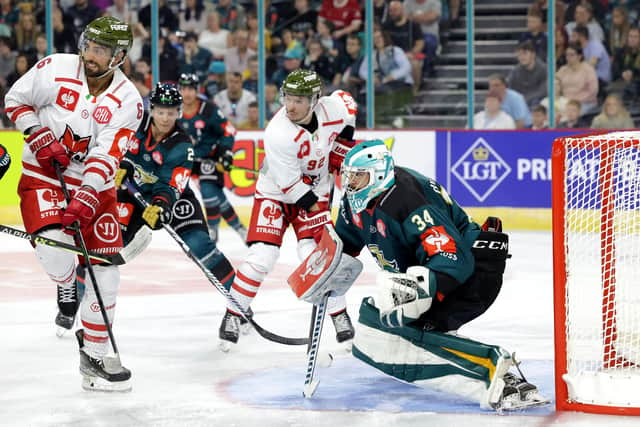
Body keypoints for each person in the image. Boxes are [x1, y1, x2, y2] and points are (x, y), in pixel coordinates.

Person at [334, 140, 548, 410]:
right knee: (374, 327)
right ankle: (490, 370)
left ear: (377, 174)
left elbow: (453, 259)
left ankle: (493, 375)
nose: (351, 183)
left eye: (358, 176)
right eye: (349, 176)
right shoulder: (355, 200)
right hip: (437, 271)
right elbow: (343, 246)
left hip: (471, 274)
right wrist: (324, 270)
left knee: (399, 333)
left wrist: (417, 295)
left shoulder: (405, 199)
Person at [5, 16, 143, 391]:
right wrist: (35, 133)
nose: (90, 54)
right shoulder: (55, 67)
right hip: (43, 175)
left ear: (118, 56)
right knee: (56, 248)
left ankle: (95, 356)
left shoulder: (128, 101)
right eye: (88, 45)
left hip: (95, 189)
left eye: (100, 49)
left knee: (108, 273)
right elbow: (15, 99)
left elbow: (107, 155)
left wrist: (86, 193)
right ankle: (68, 283)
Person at [218, 69, 358, 350]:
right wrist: (321, 214)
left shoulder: (333, 108)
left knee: (316, 257)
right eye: (287, 98)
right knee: (262, 257)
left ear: (315, 100)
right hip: (277, 195)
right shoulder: (278, 132)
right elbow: (292, 189)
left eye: (298, 100)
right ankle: (233, 314)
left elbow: (349, 107)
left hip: (315, 189)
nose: (290, 106)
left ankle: (339, 315)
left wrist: (341, 146)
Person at [114, 82, 236, 295]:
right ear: (151, 110)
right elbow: (113, 145)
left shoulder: (182, 145)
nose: (165, 118)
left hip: (170, 199)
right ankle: (73, 308)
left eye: (170, 112)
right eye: (160, 111)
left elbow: (171, 185)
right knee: (107, 248)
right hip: (132, 193)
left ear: (178, 113)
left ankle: (239, 306)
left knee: (201, 246)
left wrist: (161, 205)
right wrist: (119, 163)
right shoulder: (133, 122)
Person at [178, 73, 247, 243]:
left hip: (209, 160)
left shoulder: (208, 109)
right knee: (218, 198)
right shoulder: (174, 110)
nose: (187, 93)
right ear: (179, 90)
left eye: (191, 89)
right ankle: (240, 228)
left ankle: (212, 230)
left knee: (209, 192)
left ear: (197, 90)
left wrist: (226, 152)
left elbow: (228, 130)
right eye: (184, 89)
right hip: (186, 162)